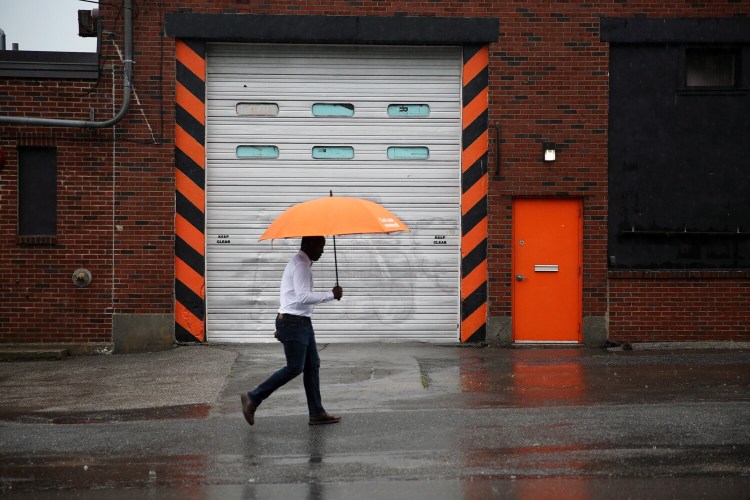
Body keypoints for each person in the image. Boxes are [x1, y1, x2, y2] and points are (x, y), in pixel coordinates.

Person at [241, 235, 344, 426]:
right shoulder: (301, 265)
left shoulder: (301, 262)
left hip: (300, 322)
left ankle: (316, 412)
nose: (323, 251)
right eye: (321, 246)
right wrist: (331, 294)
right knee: (295, 367)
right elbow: (303, 297)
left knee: (312, 366)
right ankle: (253, 397)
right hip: (293, 322)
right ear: (310, 244)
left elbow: (296, 297)